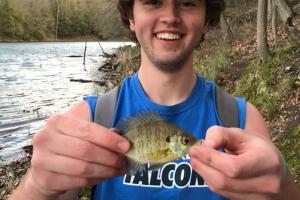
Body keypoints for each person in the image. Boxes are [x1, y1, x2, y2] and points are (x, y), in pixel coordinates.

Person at [9, 0, 300, 199]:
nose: (170, 16)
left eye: (187, 2)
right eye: (152, 0)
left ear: (206, 19)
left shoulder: (243, 121)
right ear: (131, 17)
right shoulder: (89, 118)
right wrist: (37, 184)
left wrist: (283, 184)